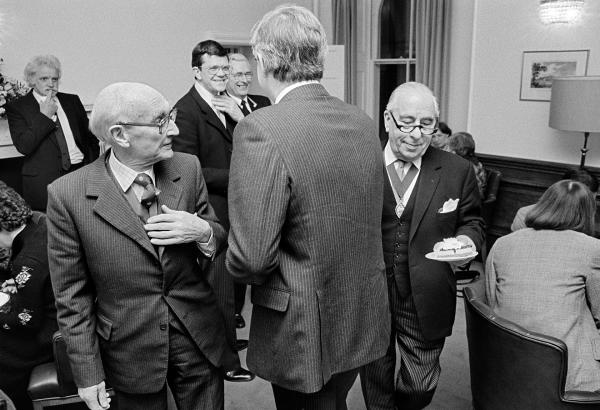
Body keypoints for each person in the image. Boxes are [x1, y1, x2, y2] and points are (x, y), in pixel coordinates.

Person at [226, 5, 390, 409]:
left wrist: (213, 240)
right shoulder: (362, 120)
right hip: (359, 311)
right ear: (320, 59)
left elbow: (251, 260)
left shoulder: (260, 128)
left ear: (263, 61)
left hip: (303, 325)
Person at [47, 82, 229, 410]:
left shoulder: (187, 168)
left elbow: (217, 235)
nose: (173, 128)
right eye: (161, 121)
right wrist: (88, 374)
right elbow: (71, 295)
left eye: (170, 116)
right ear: (120, 135)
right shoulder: (68, 195)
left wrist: (202, 231)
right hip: (129, 348)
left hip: (197, 337)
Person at [360, 82, 485, 410]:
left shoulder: (457, 170)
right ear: (388, 119)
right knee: (375, 377)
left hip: (426, 292)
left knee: (419, 385)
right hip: (370, 291)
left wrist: (467, 239)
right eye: (407, 122)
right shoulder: (360, 163)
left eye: (426, 124)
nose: (416, 134)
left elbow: (473, 221)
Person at [173, 40, 253, 383]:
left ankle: (230, 340)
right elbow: (190, 169)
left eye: (225, 69)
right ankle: (227, 362)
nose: (222, 75)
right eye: (215, 69)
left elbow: (248, 146)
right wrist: (241, 175)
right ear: (197, 72)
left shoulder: (229, 104)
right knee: (218, 288)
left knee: (232, 284)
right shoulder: (186, 110)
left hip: (236, 206)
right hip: (210, 211)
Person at [486, 180, 600, 392]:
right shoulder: (593, 248)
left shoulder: (502, 243)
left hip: (504, 355)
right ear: (587, 212)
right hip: (565, 369)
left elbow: (492, 300)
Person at [6, 55, 99, 211]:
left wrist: (90, 168)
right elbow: (24, 146)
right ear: (32, 80)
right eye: (44, 79)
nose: (51, 84)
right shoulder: (17, 107)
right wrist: (44, 117)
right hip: (44, 183)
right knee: (50, 231)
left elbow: (90, 140)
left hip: (80, 175)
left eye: (54, 79)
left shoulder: (72, 101)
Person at [0, 181, 57, 410]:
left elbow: (26, 321)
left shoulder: (28, 262)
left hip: (52, 335)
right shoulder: (37, 220)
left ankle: (22, 402)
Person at [225, 52, 271, 329]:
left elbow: (269, 136)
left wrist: (241, 116)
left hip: (264, 184)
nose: (243, 80)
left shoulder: (262, 103)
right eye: (237, 75)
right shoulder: (217, 107)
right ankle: (235, 311)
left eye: (246, 74)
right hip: (238, 187)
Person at [511, 167, 599, 232]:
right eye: (584, 201)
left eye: (591, 201)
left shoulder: (592, 217)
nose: (589, 207)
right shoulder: (525, 214)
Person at [448, 131, 487, 198]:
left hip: (467, 202)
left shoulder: (463, 166)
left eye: (449, 147)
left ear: (454, 150)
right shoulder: (476, 162)